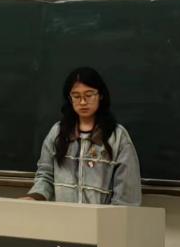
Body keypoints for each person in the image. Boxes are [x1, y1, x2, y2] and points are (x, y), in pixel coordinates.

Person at [22, 67, 141, 205]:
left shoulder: (117, 136)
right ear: (69, 98)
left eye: (89, 95)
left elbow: (126, 194)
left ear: (101, 95)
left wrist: (111, 217)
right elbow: (45, 176)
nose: (83, 102)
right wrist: (34, 197)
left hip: (102, 218)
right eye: (76, 96)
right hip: (63, 216)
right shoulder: (58, 132)